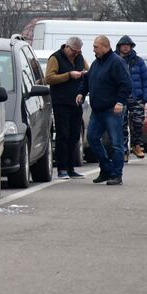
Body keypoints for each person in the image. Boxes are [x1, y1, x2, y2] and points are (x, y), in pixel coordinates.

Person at [77, 36, 132, 185]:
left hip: (112, 109)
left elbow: (126, 84)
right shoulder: (96, 63)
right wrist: (81, 92)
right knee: (93, 139)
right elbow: (88, 80)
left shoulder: (116, 62)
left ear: (105, 47)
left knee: (116, 143)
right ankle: (106, 168)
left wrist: (120, 101)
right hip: (97, 110)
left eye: (96, 47)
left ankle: (116, 174)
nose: (94, 49)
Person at [44, 37, 88, 179]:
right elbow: (49, 78)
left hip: (76, 102)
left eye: (78, 52)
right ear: (67, 47)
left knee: (75, 135)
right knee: (63, 135)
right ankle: (61, 168)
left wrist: (85, 75)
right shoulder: (55, 58)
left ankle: (70, 168)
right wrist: (69, 75)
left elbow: (89, 70)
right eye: (74, 52)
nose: (76, 54)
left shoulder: (80, 58)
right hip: (61, 102)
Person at [116, 36, 147, 159]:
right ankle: (124, 151)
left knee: (137, 123)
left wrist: (145, 96)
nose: (125, 47)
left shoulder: (138, 61)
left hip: (136, 97)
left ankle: (136, 145)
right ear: (119, 46)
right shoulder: (114, 60)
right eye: (123, 44)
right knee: (121, 124)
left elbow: (146, 79)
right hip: (120, 97)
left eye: (128, 45)